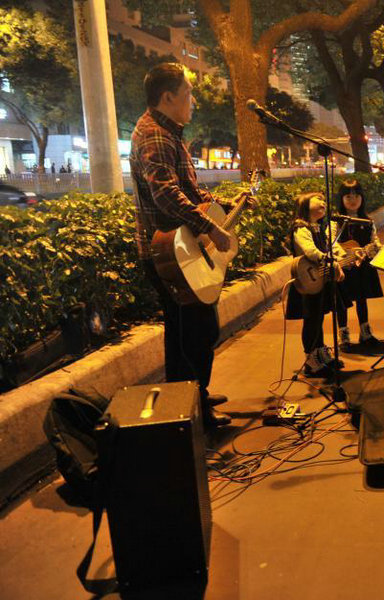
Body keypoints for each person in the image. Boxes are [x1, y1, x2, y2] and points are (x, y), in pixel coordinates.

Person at [130, 62, 243, 429]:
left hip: (180, 251)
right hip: (168, 255)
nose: (192, 100)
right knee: (192, 332)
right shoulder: (156, 136)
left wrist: (221, 206)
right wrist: (212, 226)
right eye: (188, 93)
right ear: (168, 97)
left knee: (193, 330)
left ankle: (196, 398)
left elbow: (188, 191)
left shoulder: (168, 132)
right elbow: (166, 195)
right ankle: (191, 412)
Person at [288, 193, 357, 377]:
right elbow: (310, 251)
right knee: (311, 319)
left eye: (324, 201)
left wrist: (343, 257)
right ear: (304, 204)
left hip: (320, 279)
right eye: (318, 199)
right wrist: (329, 260)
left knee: (318, 317)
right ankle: (311, 359)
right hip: (307, 280)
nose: (323, 203)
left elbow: (329, 248)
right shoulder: (301, 228)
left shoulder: (319, 227)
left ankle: (321, 353)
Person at [334, 180, 383, 349]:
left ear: (362, 198)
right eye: (348, 196)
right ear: (341, 199)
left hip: (362, 266)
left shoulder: (368, 221)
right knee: (343, 302)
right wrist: (344, 254)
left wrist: (374, 248)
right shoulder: (336, 221)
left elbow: (374, 241)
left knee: (362, 299)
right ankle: (344, 336)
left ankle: (365, 332)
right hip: (344, 267)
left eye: (356, 196)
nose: (353, 200)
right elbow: (331, 242)